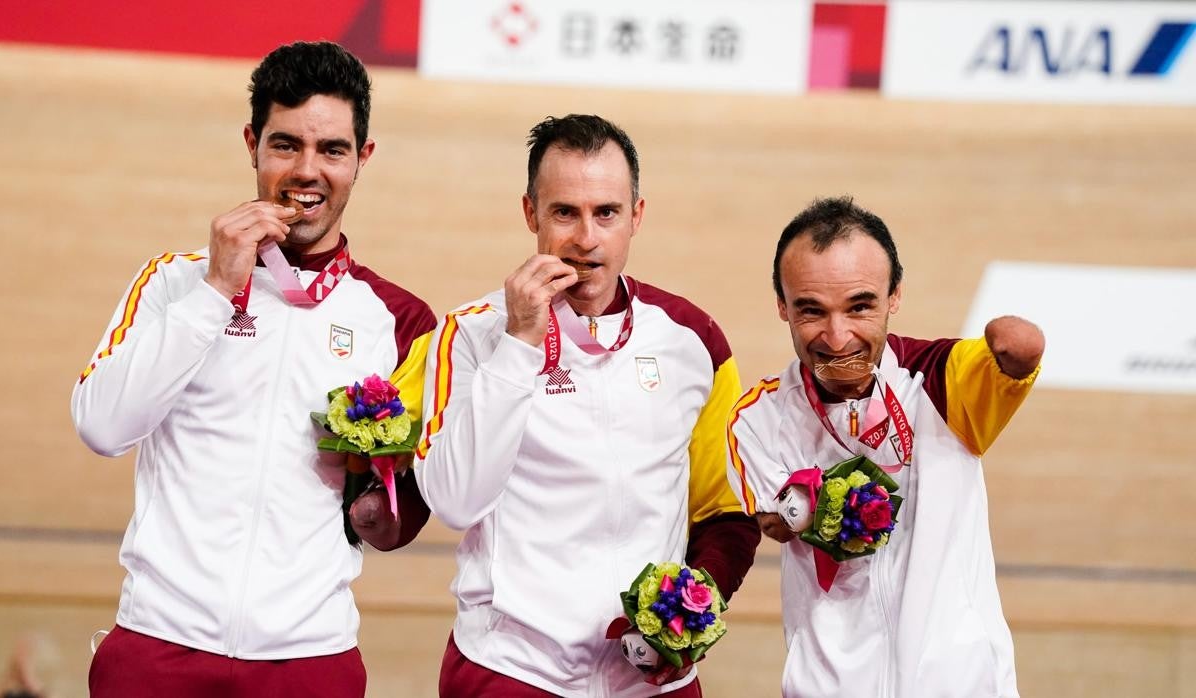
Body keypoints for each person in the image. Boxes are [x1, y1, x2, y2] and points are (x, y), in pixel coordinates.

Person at [70, 41, 436, 697]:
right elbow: (102, 426)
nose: (307, 170)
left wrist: (377, 503)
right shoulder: (173, 283)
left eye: (332, 150)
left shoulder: (401, 321)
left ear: (363, 158)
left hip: (311, 659)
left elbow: (404, 516)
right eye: (285, 144)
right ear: (252, 144)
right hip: (158, 646)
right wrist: (216, 288)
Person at [414, 114, 761, 697]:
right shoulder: (471, 335)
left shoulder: (691, 339)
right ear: (531, 214)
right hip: (512, 670)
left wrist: (683, 621)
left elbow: (724, 510)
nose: (586, 238)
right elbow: (455, 500)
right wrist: (520, 343)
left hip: (651, 681)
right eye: (564, 212)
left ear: (637, 216)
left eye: (606, 212)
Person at [726, 196, 1044, 697]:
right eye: (812, 311)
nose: (837, 337)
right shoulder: (759, 418)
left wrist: (1017, 348)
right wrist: (813, 505)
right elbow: (771, 523)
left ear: (894, 295)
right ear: (782, 306)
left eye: (860, 306)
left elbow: (1019, 351)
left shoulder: (941, 382)